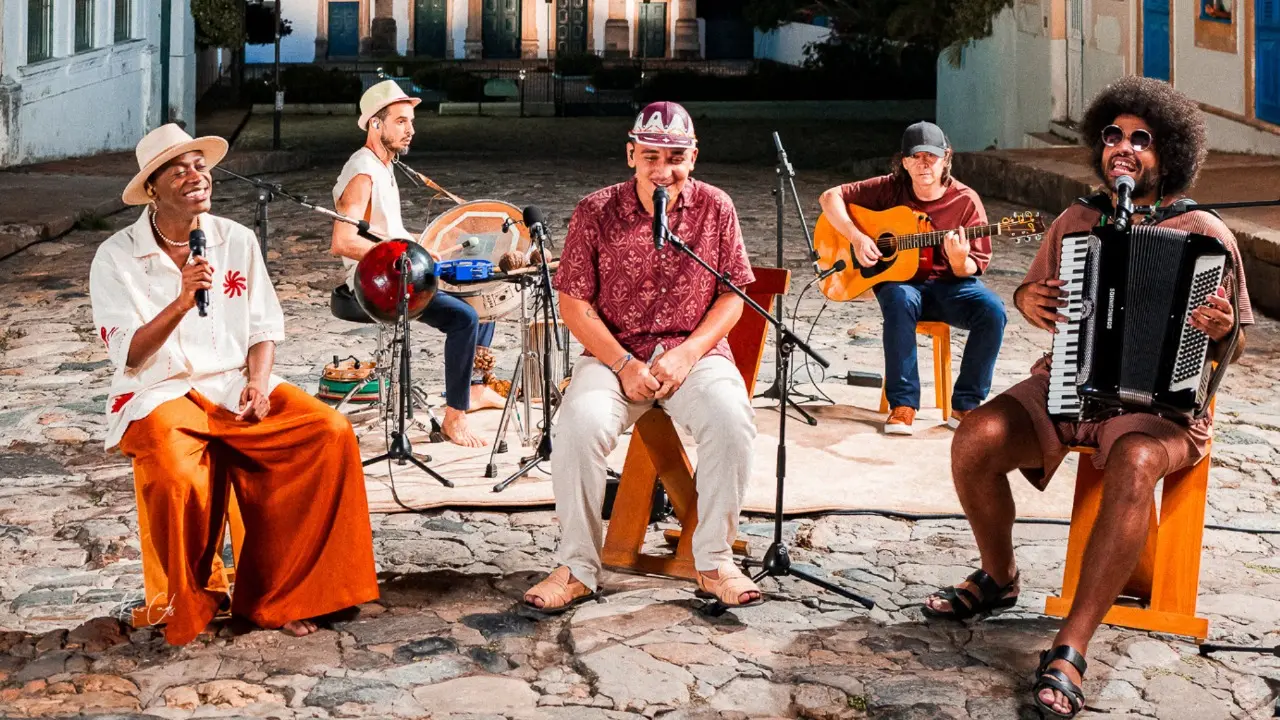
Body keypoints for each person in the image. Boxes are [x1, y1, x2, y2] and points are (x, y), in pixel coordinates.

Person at [922, 76, 1252, 718]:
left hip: (1164, 408)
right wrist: (1026, 299)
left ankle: (1070, 646)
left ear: (1170, 154)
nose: (1122, 149)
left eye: (1140, 139)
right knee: (975, 438)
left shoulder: (1207, 233)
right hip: (1070, 383)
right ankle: (999, 576)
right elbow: (1033, 292)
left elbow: (1234, 341)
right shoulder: (1078, 219)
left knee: (1133, 462)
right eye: (1111, 136)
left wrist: (1223, 330)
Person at [90, 124, 380, 646]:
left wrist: (259, 384)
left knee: (329, 432)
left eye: (200, 165)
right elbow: (129, 352)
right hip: (160, 391)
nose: (195, 176)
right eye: (178, 169)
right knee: (180, 477)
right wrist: (182, 300)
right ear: (153, 188)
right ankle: (194, 598)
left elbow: (263, 325)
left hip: (231, 384)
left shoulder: (235, 239)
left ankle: (282, 596)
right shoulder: (115, 257)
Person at [522, 102, 762, 612]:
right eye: (651, 155)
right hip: (614, 356)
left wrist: (688, 353)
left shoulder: (716, 207)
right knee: (578, 426)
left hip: (692, 355)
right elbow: (574, 302)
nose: (663, 168)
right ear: (631, 154)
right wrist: (623, 365)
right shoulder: (595, 210)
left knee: (732, 419)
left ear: (693, 157)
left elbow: (732, 294)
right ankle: (577, 567)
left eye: (675, 156)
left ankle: (715, 561)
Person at [330, 80, 502, 447]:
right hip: (375, 284)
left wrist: (422, 247)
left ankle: (473, 388)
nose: (411, 129)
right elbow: (342, 241)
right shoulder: (362, 170)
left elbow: (385, 232)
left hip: (397, 271)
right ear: (376, 125)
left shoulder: (384, 166)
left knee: (481, 285)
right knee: (464, 317)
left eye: (411, 121)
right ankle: (456, 416)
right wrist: (406, 256)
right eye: (401, 121)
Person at [818, 122, 1007, 435]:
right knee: (899, 298)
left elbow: (974, 266)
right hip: (903, 285)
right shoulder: (890, 188)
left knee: (993, 311)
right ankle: (903, 405)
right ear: (903, 162)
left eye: (931, 157)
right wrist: (856, 237)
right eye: (915, 157)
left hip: (951, 286)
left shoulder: (965, 201)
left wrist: (959, 260)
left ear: (946, 158)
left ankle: (965, 405)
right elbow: (829, 197)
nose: (924, 164)